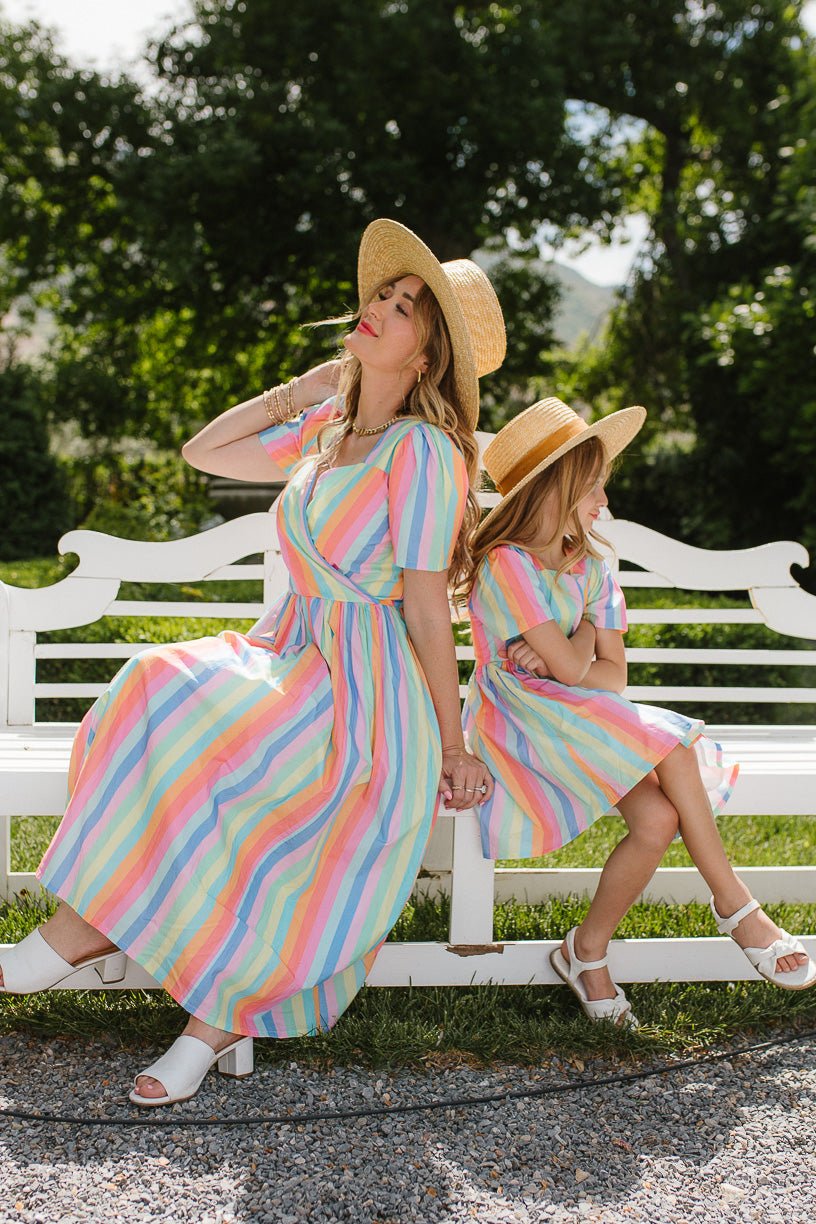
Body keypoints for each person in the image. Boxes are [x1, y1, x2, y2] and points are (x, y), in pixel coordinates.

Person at [0, 219, 506, 1104]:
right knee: (158, 686)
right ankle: (95, 922)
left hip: (364, 686)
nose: (379, 308)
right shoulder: (328, 430)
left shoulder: (423, 452)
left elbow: (428, 608)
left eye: (405, 308)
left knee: (275, 794)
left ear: (427, 358)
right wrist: (300, 390)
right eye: (382, 295)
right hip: (293, 650)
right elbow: (205, 454)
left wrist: (453, 742)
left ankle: (197, 1024)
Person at [459, 396, 816, 1026]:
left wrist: (568, 656)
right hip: (519, 726)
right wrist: (575, 649)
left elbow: (613, 677)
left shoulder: (593, 565)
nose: (604, 504)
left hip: (581, 716)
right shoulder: (506, 562)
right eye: (594, 487)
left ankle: (584, 951)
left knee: (654, 820)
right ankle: (738, 908)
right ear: (555, 487)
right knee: (674, 743)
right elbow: (579, 671)